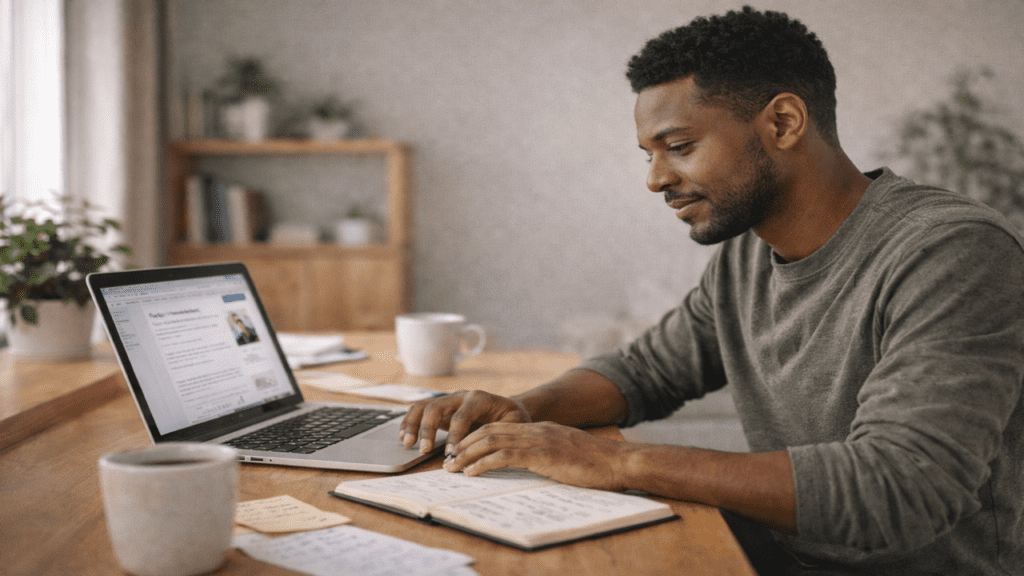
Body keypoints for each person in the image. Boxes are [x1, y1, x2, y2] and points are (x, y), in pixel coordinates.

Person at [400, 6, 1024, 575]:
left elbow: (900, 489)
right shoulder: (748, 252)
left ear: (782, 122)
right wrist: (525, 410)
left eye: (679, 147)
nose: (655, 179)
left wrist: (619, 464)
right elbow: (645, 371)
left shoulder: (951, 252)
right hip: (780, 553)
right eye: (648, 154)